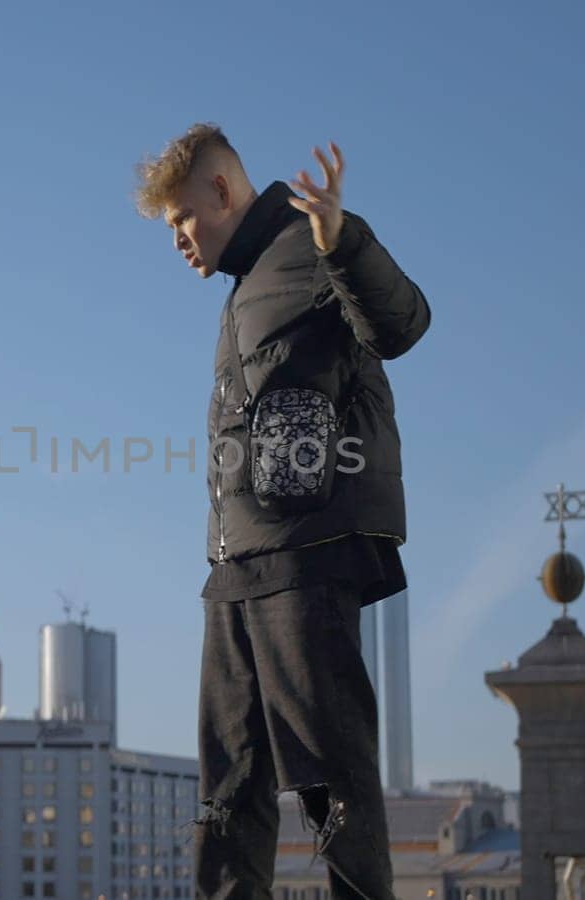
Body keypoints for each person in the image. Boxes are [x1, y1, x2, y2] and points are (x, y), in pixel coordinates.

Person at [134, 123, 431, 899]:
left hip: (308, 553)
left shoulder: (308, 247)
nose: (177, 242)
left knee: (332, 780)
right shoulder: (246, 288)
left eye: (181, 220)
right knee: (227, 791)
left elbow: (403, 324)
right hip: (235, 565)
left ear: (223, 191)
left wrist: (342, 239)